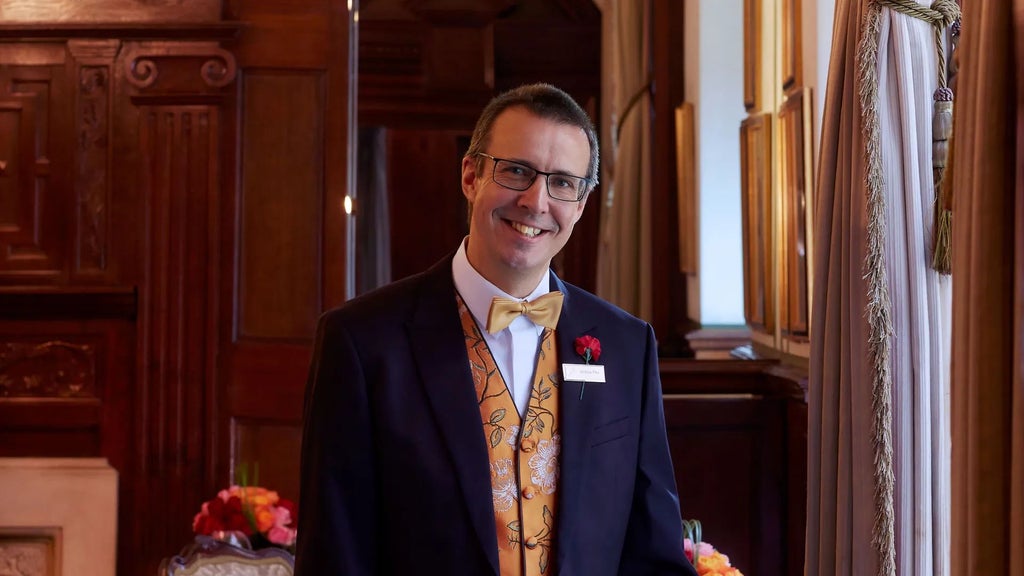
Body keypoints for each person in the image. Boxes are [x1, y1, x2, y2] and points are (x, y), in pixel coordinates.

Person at [295, 83, 697, 576]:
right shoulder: (361, 342)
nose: (536, 201)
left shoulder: (626, 346)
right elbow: (335, 555)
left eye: (563, 183)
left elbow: (654, 554)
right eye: (516, 171)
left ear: (583, 202)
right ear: (471, 175)